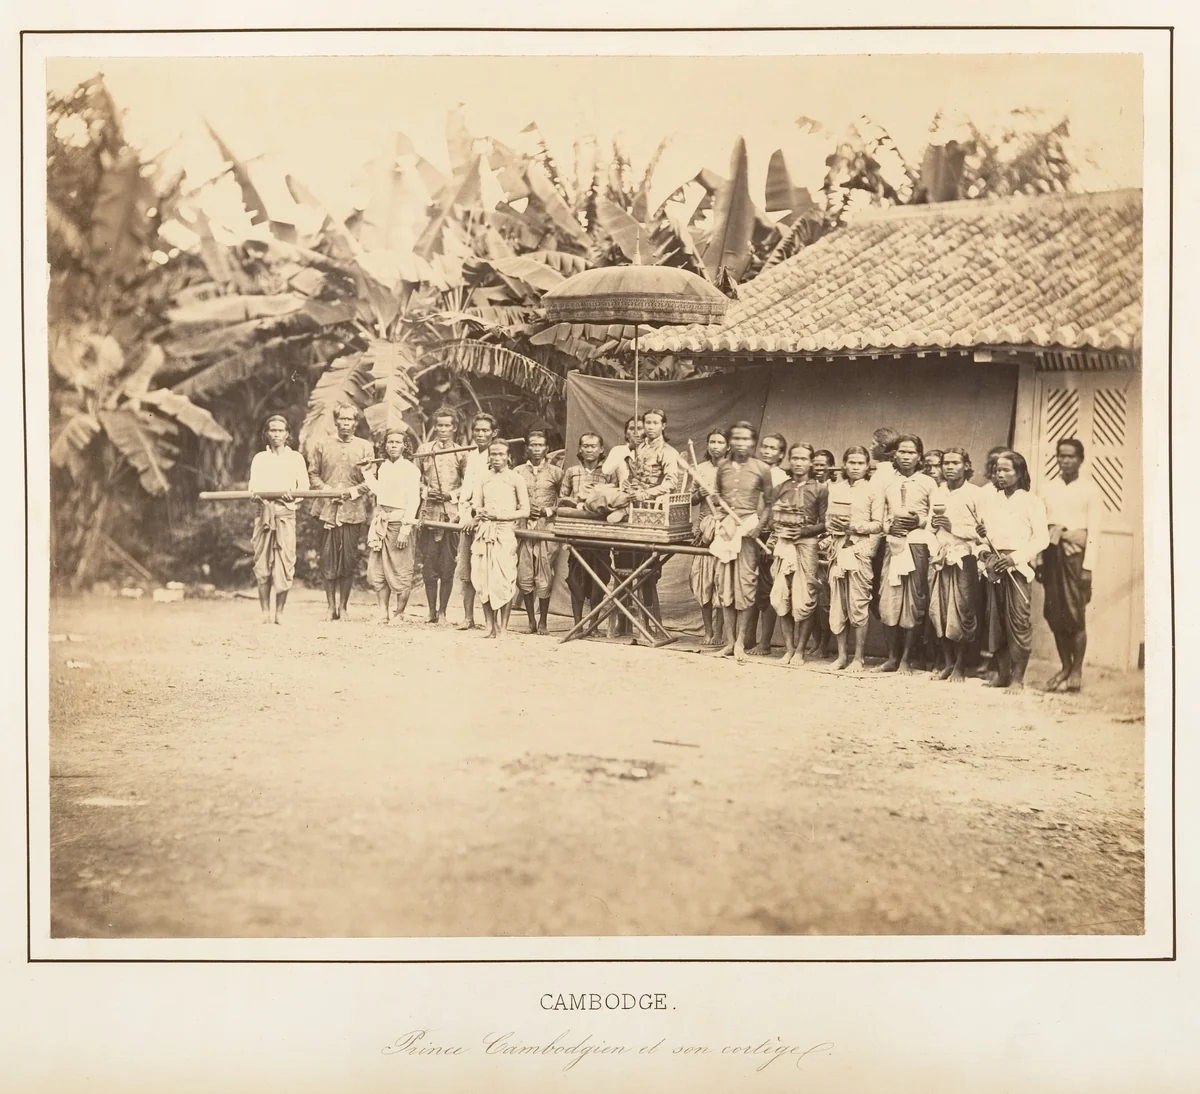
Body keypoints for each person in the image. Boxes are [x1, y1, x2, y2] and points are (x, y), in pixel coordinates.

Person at [975, 450, 1049, 691]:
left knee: (1018, 621)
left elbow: (1042, 540)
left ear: (1019, 472)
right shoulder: (989, 500)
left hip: (1017, 568)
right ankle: (1002, 674)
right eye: (997, 470)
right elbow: (982, 539)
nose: (1001, 474)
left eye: (1007, 470)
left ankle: (1018, 678)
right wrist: (985, 552)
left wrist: (1014, 558)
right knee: (995, 621)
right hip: (994, 566)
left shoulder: (1032, 502)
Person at [1039, 437, 1103, 692]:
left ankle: (1077, 670)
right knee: (1054, 613)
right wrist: (1040, 559)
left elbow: (1094, 531)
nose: (1065, 460)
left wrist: (1088, 568)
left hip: (1076, 558)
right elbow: (1041, 524)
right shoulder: (1047, 487)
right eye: (1061, 455)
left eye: (1071, 456)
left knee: (1075, 615)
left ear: (1080, 459)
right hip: (1052, 555)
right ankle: (1065, 665)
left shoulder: (1090, 489)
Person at [711, 421, 775, 663]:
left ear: (753, 442)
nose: (741, 443)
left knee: (745, 585)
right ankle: (729, 642)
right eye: (736, 438)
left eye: (746, 439)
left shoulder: (761, 468)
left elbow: (769, 504)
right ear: (730, 441)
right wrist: (718, 507)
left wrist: (758, 527)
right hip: (726, 530)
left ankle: (740, 642)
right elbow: (718, 500)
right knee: (725, 585)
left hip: (748, 530)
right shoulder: (723, 467)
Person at [876, 433, 937, 674]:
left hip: (917, 545)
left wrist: (919, 521)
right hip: (893, 544)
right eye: (902, 451)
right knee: (889, 599)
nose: (906, 456)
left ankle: (906, 659)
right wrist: (887, 527)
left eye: (911, 452)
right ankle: (892, 657)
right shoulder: (886, 481)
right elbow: (878, 513)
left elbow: (935, 518)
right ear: (894, 454)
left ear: (919, 456)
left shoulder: (929, 483)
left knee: (914, 601)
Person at [307, 403, 375, 621]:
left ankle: (344, 607)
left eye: (350, 420)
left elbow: (371, 480)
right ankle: (330, 607)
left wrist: (351, 493)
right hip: (326, 510)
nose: (346, 424)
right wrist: (328, 490)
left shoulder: (365, 447)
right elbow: (313, 474)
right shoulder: (322, 444)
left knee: (348, 559)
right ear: (336, 421)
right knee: (327, 558)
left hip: (353, 511)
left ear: (356, 423)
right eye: (342, 419)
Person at [765, 442, 828, 666]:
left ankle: (801, 650)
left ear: (811, 462)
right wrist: (780, 526)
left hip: (807, 546)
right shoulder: (781, 487)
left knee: (805, 598)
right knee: (782, 597)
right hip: (783, 546)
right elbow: (771, 518)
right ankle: (788, 649)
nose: (799, 463)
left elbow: (824, 523)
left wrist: (802, 531)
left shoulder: (819, 489)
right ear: (789, 461)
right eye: (795, 458)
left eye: (803, 459)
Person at [927, 447, 985, 681]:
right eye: (946, 463)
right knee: (938, 610)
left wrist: (954, 528)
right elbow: (931, 529)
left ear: (966, 466)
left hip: (964, 558)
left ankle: (961, 665)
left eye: (955, 463)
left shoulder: (976, 494)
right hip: (940, 557)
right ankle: (948, 662)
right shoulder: (937, 493)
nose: (950, 467)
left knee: (962, 612)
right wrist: (934, 527)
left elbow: (982, 533)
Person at [826, 446, 883, 673]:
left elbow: (878, 524)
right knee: (838, 604)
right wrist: (834, 529)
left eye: (860, 463)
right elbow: (828, 519)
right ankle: (841, 656)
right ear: (844, 464)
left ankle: (858, 658)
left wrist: (854, 528)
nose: (856, 467)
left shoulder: (873, 490)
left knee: (858, 604)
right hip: (838, 549)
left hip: (860, 550)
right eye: (851, 463)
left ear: (867, 466)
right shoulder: (836, 488)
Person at [247, 414, 309, 625]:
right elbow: (253, 487)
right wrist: (258, 495)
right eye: (272, 430)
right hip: (264, 513)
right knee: (262, 563)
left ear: (288, 434)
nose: (276, 434)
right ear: (266, 433)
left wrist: (293, 495)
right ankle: (265, 612)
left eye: (280, 430)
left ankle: (279, 613)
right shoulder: (260, 459)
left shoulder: (295, 458)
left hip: (285, 514)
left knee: (285, 562)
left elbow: (304, 489)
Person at [467, 439, 530, 639]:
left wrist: (500, 516)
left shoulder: (515, 478)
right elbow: (476, 504)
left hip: (505, 533)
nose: (496, 458)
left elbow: (525, 510)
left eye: (501, 454)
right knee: (483, 578)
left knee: (503, 580)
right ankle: (489, 626)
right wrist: (478, 513)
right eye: (493, 454)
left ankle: (503, 628)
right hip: (484, 533)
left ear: (509, 456)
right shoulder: (482, 478)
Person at [361, 428, 422, 625]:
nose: (393, 446)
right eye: (390, 442)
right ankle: (383, 613)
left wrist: (405, 529)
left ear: (405, 445)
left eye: (397, 442)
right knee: (379, 570)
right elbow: (380, 491)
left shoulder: (411, 470)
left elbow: (414, 501)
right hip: (382, 522)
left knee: (400, 569)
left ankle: (399, 613)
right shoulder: (384, 468)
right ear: (385, 446)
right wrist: (366, 473)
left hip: (399, 522)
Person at [558, 432, 614, 630]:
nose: (589, 450)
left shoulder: (609, 472)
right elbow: (562, 498)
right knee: (576, 577)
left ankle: (594, 625)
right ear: (580, 449)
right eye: (586, 446)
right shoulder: (572, 471)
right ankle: (577, 625)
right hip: (578, 531)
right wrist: (577, 502)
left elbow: (615, 499)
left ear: (601, 450)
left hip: (601, 532)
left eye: (593, 446)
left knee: (599, 577)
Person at [415, 408, 466, 625]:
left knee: (447, 565)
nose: (443, 430)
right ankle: (431, 612)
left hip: (451, 517)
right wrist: (426, 491)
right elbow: (414, 479)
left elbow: (469, 485)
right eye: (440, 425)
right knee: (429, 565)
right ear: (435, 426)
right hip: (428, 513)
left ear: (454, 427)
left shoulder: (462, 452)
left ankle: (443, 612)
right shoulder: (425, 450)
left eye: (447, 426)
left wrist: (451, 494)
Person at [515, 428, 565, 635]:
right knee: (525, 572)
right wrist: (524, 511)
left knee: (544, 573)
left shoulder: (556, 472)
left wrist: (548, 510)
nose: (536, 449)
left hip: (547, 527)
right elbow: (511, 497)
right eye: (533, 445)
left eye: (540, 445)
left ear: (547, 448)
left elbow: (564, 500)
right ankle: (530, 621)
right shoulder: (517, 472)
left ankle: (543, 621)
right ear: (527, 448)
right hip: (523, 526)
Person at [745, 431, 789, 655]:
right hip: (750, 533)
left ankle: (765, 643)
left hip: (769, 536)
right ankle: (748, 639)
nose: (767, 451)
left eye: (773, 449)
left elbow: (776, 510)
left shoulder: (780, 477)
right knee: (749, 587)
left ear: (781, 454)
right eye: (765, 447)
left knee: (767, 590)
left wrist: (770, 540)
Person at [455, 412, 498, 631]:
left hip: (486, 522)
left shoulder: (497, 456)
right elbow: (466, 491)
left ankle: (490, 621)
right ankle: (468, 618)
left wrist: (475, 516)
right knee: (466, 570)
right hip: (467, 519)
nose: (480, 434)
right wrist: (464, 515)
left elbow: (494, 494)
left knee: (485, 570)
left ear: (494, 433)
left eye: (485, 430)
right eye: (477, 430)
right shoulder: (471, 456)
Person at [689, 428, 729, 647]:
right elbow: (691, 499)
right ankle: (708, 630)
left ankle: (720, 632)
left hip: (725, 530)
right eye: (712, 441)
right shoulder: (700, 468)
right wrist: (699, 494)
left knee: (721, 583)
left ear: (728, 446)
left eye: (720, 442)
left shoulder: (732, 469)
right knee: (704, 581)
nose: (715, 446)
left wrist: (721, 497)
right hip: (704, 533)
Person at [601, 414, 645, 481]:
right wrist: (629, 448)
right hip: (624, 490)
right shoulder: (618, 450)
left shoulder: (652, 450)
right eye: (631, 428)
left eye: (639, 428)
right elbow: (606, 471)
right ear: (626, 434)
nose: (635, 432)